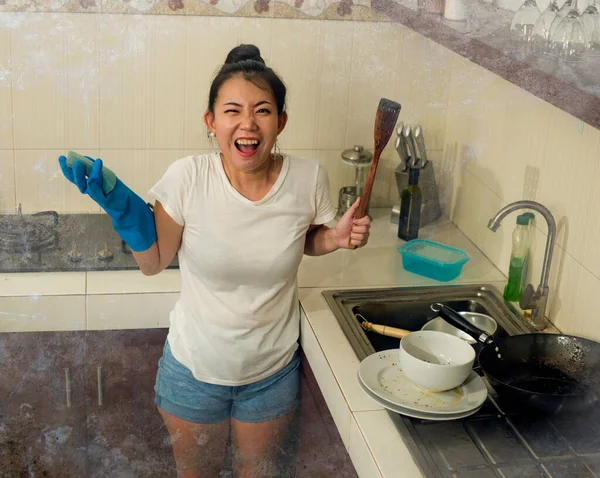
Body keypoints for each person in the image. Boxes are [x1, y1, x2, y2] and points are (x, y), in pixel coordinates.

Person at [58, 44, 371, 478]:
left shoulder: (308, 178)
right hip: (193, 372)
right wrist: (124, 209)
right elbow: (153, 262)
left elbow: (302, 240)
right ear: (211, 121)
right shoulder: (188, 178)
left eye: (262, 110)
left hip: (271, 374)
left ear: (280, 122)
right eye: (232, 110)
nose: (247, 123)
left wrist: (333, 238)